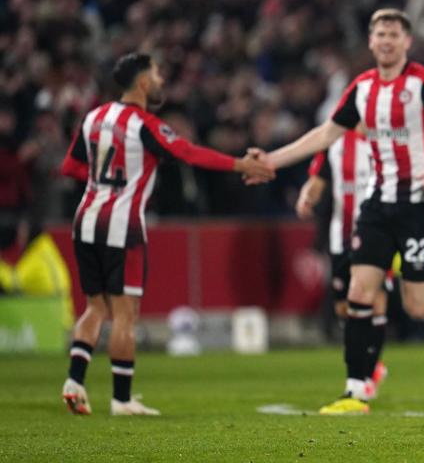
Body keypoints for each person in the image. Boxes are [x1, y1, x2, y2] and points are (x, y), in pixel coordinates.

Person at [252, 8, 424, 415]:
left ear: (407, 42)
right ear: (370, 42)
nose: (386, 41)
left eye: (394, 34)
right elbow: (325, 134)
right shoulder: (362, 88)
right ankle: (356, 390)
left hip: (418, 206)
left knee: (418, 308)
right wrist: (273, 160)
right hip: (376, 205)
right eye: (380, 34)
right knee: (359, 293)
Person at [59, 52, 274, 416]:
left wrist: (104, 183)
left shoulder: (94, 117)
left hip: (86, 220)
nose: (160, 80)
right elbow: (187, 152)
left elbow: (70, 166)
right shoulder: (145, 125)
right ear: (142, 82)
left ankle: (74, 381)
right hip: (122, 226)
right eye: (156, 74)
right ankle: (122, 400)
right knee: (126, 314)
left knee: (95, 307)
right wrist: (240, 163)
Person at [296, 129, 389, 396]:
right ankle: (367, 362)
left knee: (375, 296)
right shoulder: (334, 143)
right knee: (343, 306)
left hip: (376, 232)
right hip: (340, 236)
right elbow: (318, 180)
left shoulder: (383, 142)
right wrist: (307, 196)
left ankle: (369, 369)